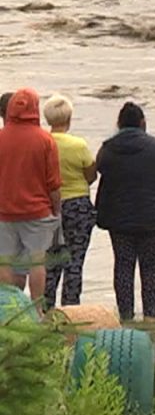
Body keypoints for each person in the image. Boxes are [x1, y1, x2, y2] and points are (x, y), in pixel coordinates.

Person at [95, 102, 155, 321]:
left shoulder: (108, 149)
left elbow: (99, 166)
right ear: (143, 123)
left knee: (123, 266)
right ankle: (150, 315)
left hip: (119, 219)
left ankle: (126, 315)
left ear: (118, 124)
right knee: (153, 267)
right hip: (154, 218)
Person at [0, 89, 62, 303]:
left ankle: (11, 307)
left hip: (4, 210)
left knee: (7, 262)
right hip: (37, 211)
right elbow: (53, 183)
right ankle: (36, 310)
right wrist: (56, 210)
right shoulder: (45, 140)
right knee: (37, 262)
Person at [43, 95, 96, 310]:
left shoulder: (42, 143)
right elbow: (91, 174)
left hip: (48, 206)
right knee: (75, 260)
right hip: (77, 205)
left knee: (51, 261)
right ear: (69, 118)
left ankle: (46, 307)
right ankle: (71, 308)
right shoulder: (78, 145)